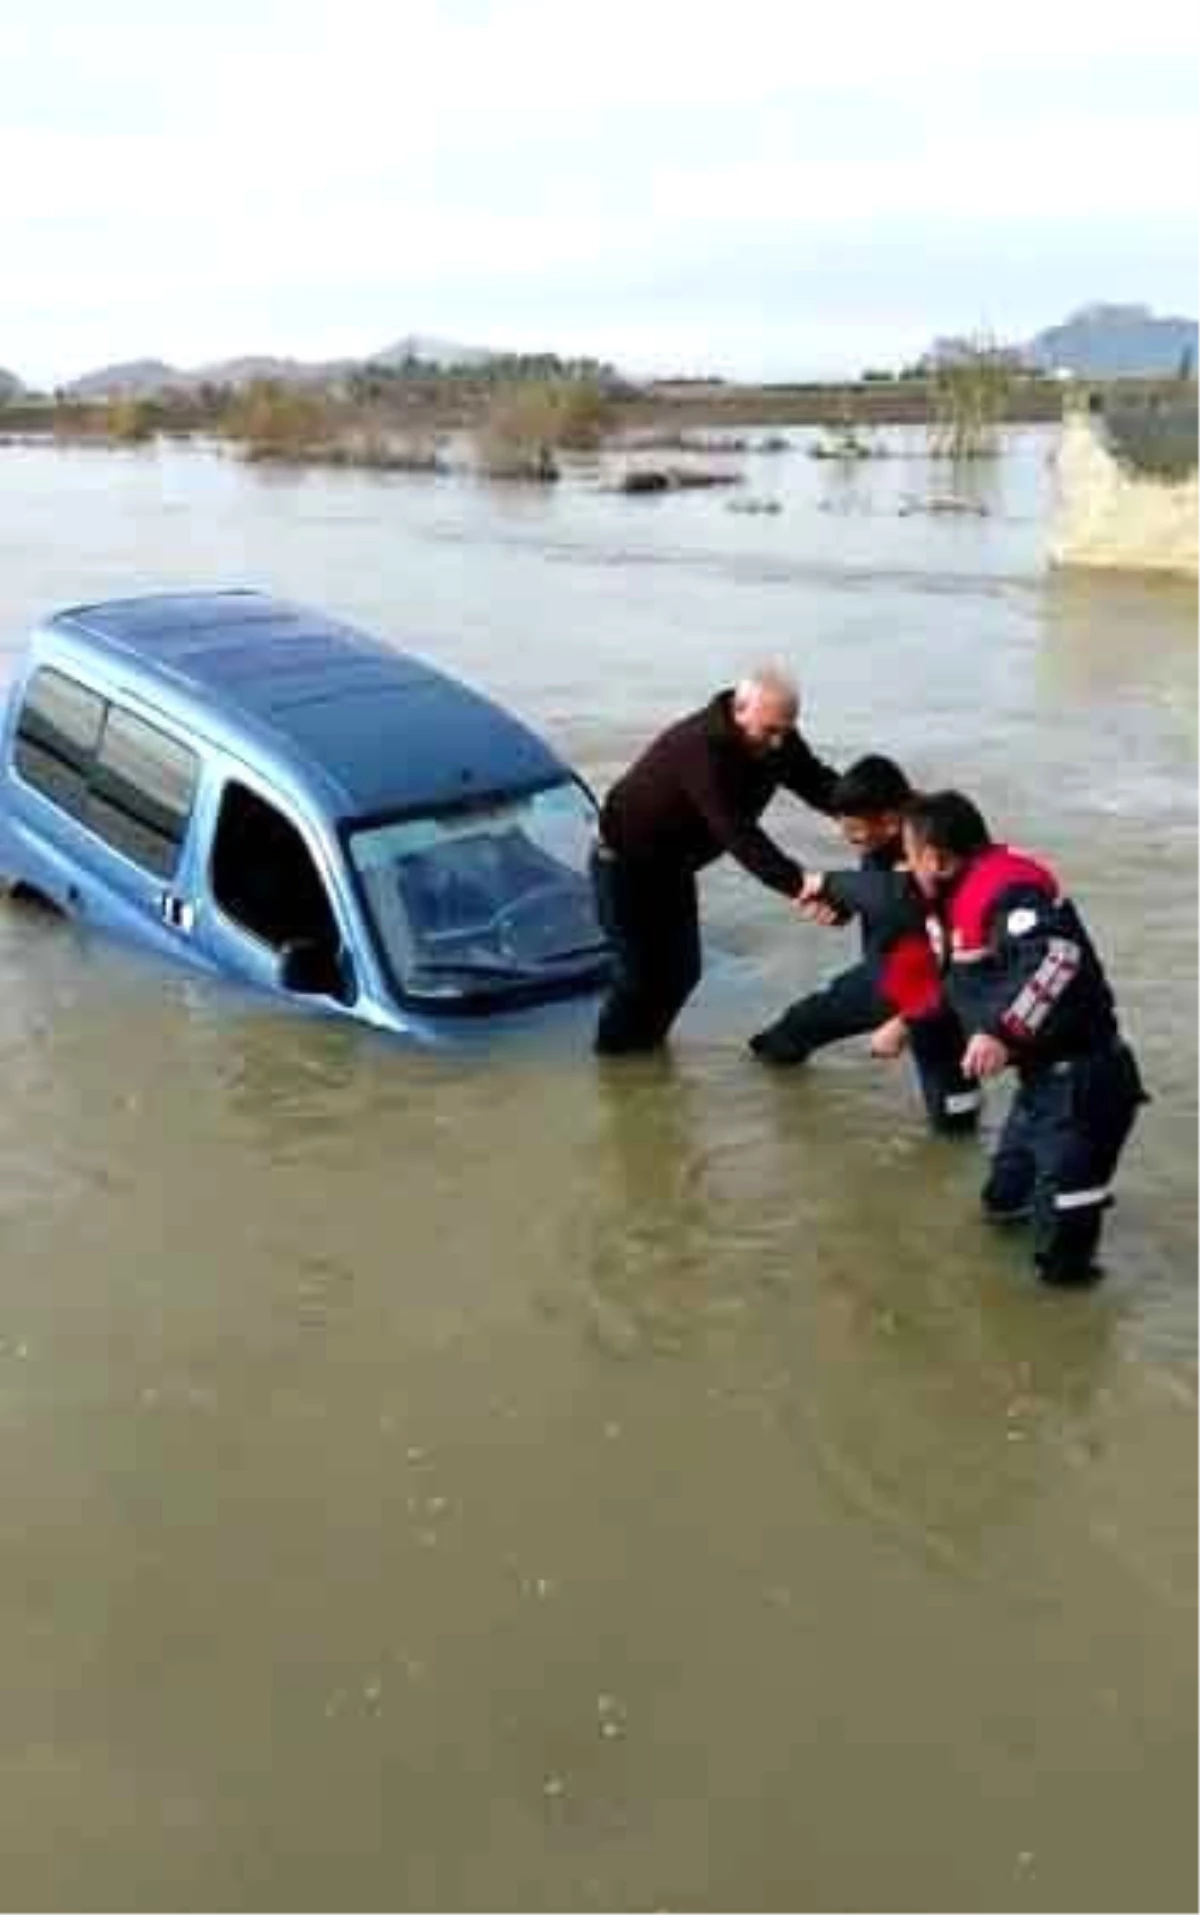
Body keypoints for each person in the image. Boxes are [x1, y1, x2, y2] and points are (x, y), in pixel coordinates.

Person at [895, 790, 1148, 1285]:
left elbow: (1057, 958)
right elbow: (955, 977)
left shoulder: (1008, 894)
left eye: (909, 857)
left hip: (1085, 1083)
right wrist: (903, 1021)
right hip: (1043, 1085)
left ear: (937, 859)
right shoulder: (957, 897)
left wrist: (999, 1032)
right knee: (1002, 1204)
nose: (905, 869)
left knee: (1063, 1251)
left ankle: (1069, 1337)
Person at [591, 668, 838, 1053]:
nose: (778, 743)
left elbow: (818, 784)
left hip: (674, 867)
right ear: (739, 711)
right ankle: (615, 1064)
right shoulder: (700, 748)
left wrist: (888, 811)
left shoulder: (778, 738)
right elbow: (736, 832)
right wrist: (800, 885)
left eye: (786, 730)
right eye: (770, 730)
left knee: (683, 973)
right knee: (639, 977)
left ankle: (646, 1052)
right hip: (624, 864)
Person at [749, 755, 980, 1134]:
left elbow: (901, 898)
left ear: (890, 822)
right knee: (788, 1037)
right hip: (896, 973)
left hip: (926, 982)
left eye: (855, 831)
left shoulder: (931, 843)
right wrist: (839, 908)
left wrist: (826, 883)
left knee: (954, 1109)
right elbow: (877, 895)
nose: (850, 838)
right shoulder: (887, 830)